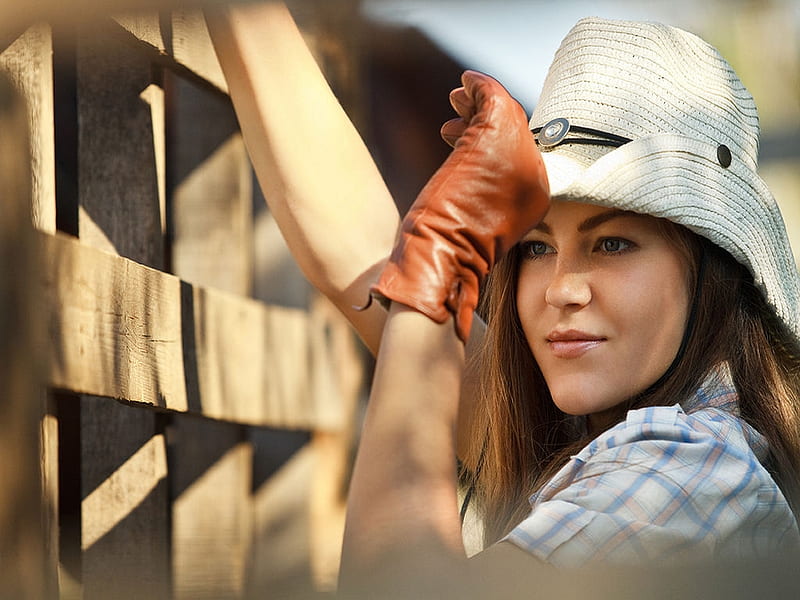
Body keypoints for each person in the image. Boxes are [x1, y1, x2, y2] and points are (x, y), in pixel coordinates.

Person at [207, 2, 800, 591]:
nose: (562, 291)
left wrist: (443, 263)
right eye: (537, 248)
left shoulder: (691, 473)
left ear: (711, 267)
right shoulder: (594, 431)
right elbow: (362, 264)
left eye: (613, 244)